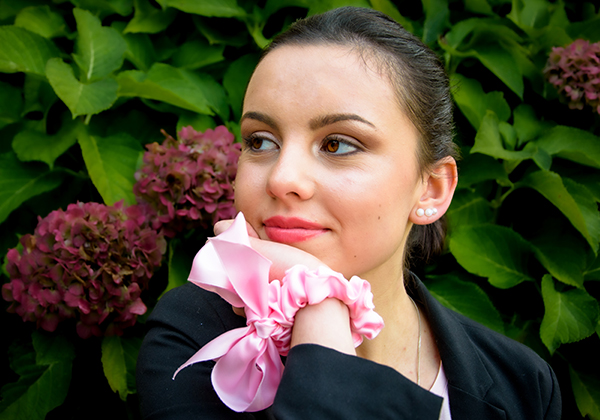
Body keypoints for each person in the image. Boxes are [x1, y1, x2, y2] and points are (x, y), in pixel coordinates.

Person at [136, 7, 561, 419]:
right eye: (261, 141)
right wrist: (319, 301)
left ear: (431, 189)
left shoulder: (523, 385)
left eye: (337, 144)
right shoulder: (192, 337)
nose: (282, 178)